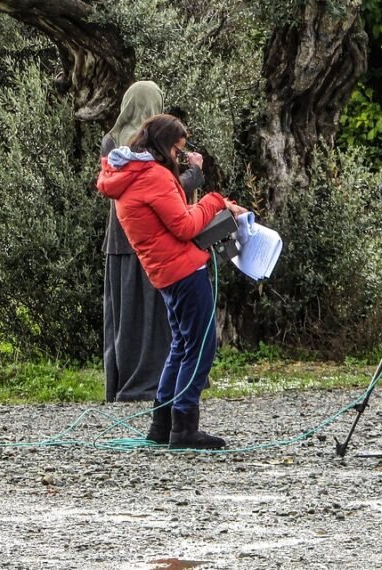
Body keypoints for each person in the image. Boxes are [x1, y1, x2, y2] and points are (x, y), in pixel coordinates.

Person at [97, 114, 247, 448]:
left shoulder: (126, 175)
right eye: (178, 151)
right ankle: (184, 426)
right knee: (201, 346)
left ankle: (162, 424)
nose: (179, 157)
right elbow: (185, 226)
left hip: (162, 272)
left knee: (180, 344)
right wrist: (215, 200)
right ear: (165, 146)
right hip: (183, 270)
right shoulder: (153, 176)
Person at [100, 81, 207, 403]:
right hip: (156, 240)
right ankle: (162, 383)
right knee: (163, 317)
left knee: (125, 315)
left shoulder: (112, 141)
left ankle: (126, 382)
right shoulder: (155, 145)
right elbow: (165, 192)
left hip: (119, 237)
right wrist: (196, 176)